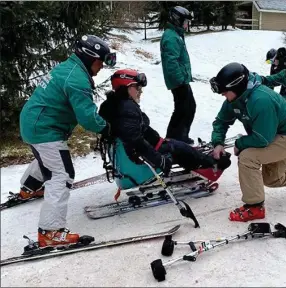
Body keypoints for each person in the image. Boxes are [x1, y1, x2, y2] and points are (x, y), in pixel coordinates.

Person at [18, 35, 116, 247]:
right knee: (61, 174)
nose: (101, 67)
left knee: (49, 159)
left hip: (33, 122)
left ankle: (29, 187)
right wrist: (107, 128)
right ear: (90, 58)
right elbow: (87, 117)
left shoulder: (67, 67)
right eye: (100, 61)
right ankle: (50, 232)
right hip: (44, 129)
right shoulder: (77, 79)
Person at [209, 62, 286, 222]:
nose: (223, 96)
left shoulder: (260, 100)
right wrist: (218, 143)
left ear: (236, 88)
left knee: (248, 157)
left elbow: (262, 139)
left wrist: (240, 144)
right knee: (273, 178)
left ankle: (254, 207)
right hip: (275, 134)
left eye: (225, 92)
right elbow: (221, 121)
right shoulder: (234, 99)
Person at [98, 69, 231, 189]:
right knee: (179, 149)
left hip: (135, 155)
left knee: (176, 145)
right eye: (137, 87)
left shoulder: (112, 105)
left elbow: (137, 127)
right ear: (126, 88)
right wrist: (159, 160)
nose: (140, 91)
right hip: (139, 162)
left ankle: (203, 160)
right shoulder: (127, 109)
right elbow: (137, 142)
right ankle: (212, 165)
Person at [160, 6, 196, 145]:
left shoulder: (175, 34)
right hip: (178, 80)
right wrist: (180, 79)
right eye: (185, 21)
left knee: (188, 107)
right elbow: (171, 62)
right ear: (177, 20)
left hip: (181, 79)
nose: (187, 24)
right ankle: (174, 138)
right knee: (183, 109)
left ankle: (180, 136)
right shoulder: (171, 37)